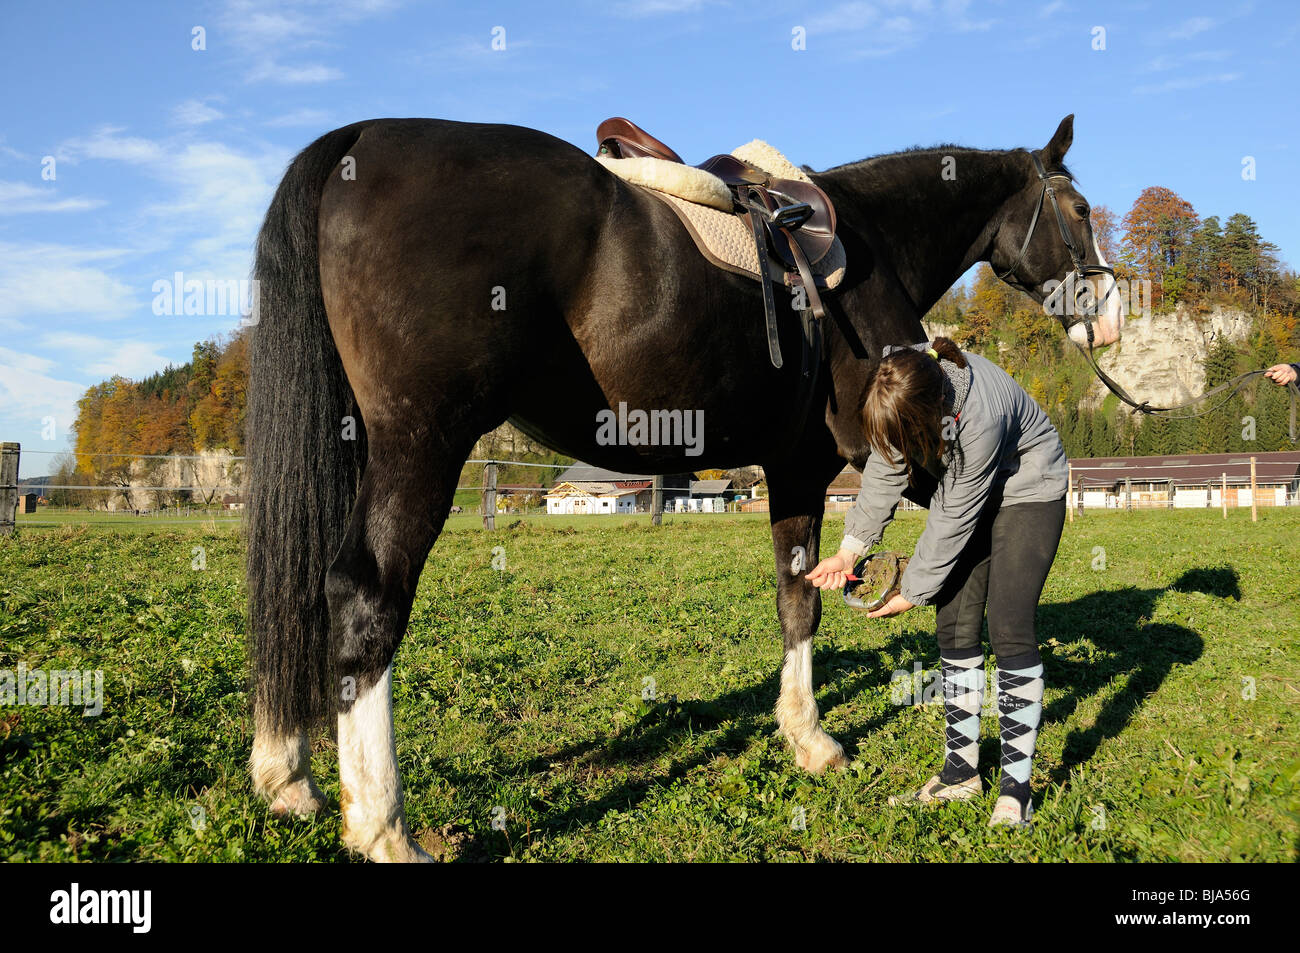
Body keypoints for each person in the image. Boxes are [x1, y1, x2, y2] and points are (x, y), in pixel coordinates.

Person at [805, 337, 1068, 828]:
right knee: (954, 625)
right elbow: (886, 468)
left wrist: (911, 590)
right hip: (969, 489)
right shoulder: (904, 378)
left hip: (1028, 488)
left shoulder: (978, 416)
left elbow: (951, 517)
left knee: (1008, 625)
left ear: (936, 413)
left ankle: (1017, 789)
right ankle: (961, 772)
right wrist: (849, 549)